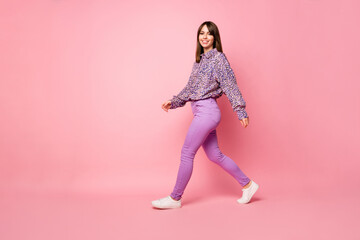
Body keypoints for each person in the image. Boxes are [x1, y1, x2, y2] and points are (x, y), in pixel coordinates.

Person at [151, 21, 259, 209]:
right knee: (215, 155)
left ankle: (175, 198)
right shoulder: (199, 61)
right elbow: (191, 88)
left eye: (209, 34)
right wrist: (174, 101)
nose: (205, 37)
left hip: (207, 112)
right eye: (202, 33)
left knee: (186, 153)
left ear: (215, 37)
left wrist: (240, 110)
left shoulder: (218, 59)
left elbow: (230, 85)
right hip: (202, 112)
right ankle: (248, 185)